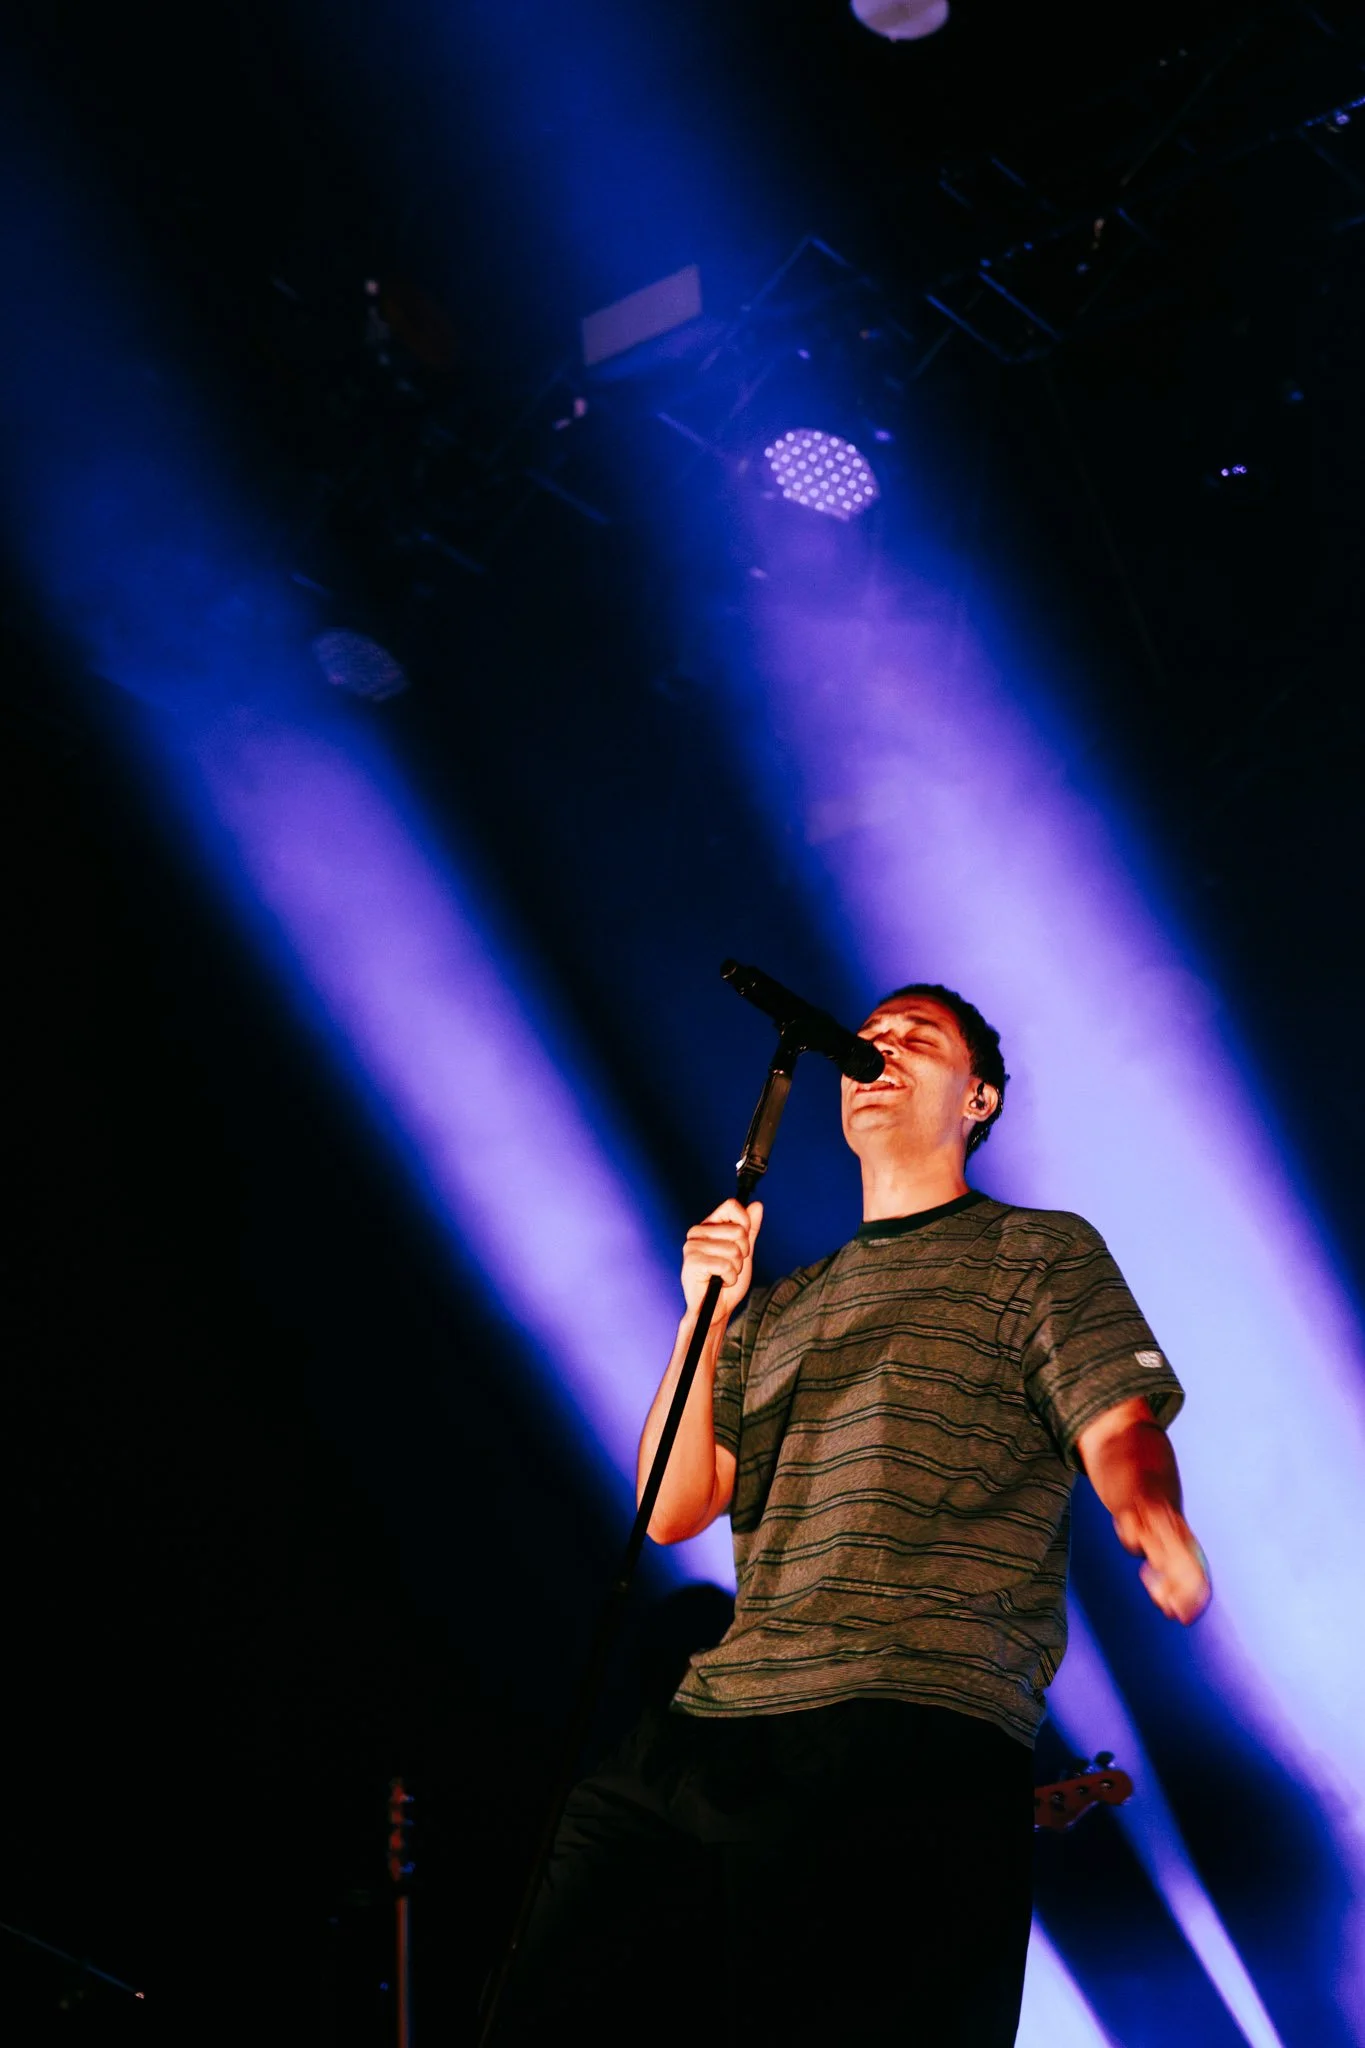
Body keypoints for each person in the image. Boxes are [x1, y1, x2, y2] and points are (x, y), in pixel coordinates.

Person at [494, 983, 1210, 2048]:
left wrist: (1147, 1504)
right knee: (541, 1998)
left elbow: (1115, 1419)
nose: (879, 1050)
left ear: (980, 1098)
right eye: (867, 1039)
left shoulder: (1038, 1252)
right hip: (712, 1728)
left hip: (905, 1713)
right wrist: (706, 1312)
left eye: (917, 1038)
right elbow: (673, 1506)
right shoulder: (782, 1303)